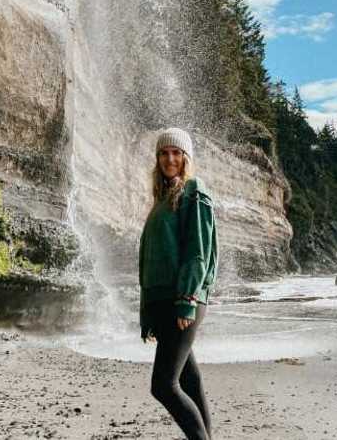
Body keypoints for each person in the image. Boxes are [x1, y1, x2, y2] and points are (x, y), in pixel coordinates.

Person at [138, 127, 218, 440]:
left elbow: (198, 251)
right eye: (163, 153)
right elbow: (151, 259)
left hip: (182, 300)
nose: (169, 159)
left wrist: (187, 299)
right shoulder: (161, 199)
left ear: (186, 158)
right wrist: (148, 314)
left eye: (176, 153)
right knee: (188, 380)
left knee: (163, 386)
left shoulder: (194, 191)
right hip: (163, 302)